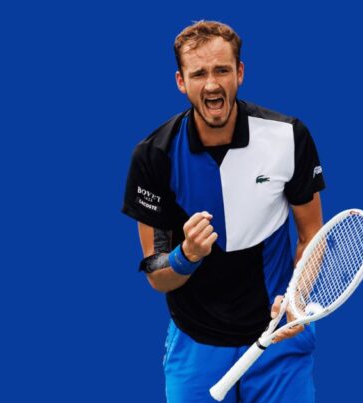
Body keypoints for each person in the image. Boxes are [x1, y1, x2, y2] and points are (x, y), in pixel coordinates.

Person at [122, 20, 326, 402]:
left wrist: (297, 298)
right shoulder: (155, 157)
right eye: (199, 73)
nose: (212, 84)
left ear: (240, 73)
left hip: (278, 337)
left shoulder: (288, 137)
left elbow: (311, 235)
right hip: (196, 344)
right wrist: (187, 255)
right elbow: (156, 273)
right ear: (181, 82)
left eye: (222, 70)